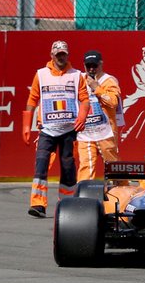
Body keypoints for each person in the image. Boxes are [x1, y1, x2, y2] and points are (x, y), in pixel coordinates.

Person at [22, 41, 90, 217]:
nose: (61, 57)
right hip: (47, 129)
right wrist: (26, 125)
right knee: (41, 163)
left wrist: (82, 116)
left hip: (69, 129)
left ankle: (67, 204)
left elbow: (84, 99)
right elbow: (32, 99)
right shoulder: (41, 74)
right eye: (58, 54)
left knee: (68, 166)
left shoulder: (77, 75)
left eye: (64, 54)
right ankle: (38, 204)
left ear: (68, 55)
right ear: (52, 55)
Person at [76, 50, 122, 181]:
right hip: (86, 132)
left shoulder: (109, 80)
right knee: (86, 164)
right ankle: (83, 196)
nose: (91, 69)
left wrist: (97, 88)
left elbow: (113, 102)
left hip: (105, 131)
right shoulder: (79, 80)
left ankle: (122, 188)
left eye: (94, 65)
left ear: (101, 64)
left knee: (112, 165)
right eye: (88, 65)